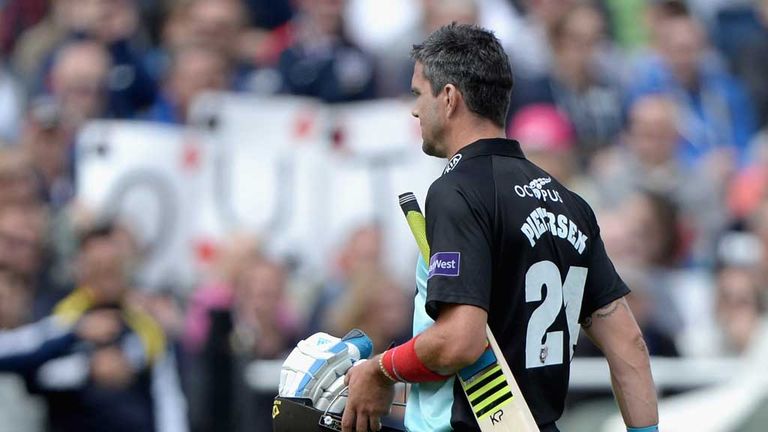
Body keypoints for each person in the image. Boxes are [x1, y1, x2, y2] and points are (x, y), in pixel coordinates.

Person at [342, 24, 658, 432]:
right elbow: (628, 345)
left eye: (419, 93)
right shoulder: (570, 202)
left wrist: (380, 370)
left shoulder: (456, 192)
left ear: (450, 98)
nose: (415, 109)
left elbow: (460, 341)